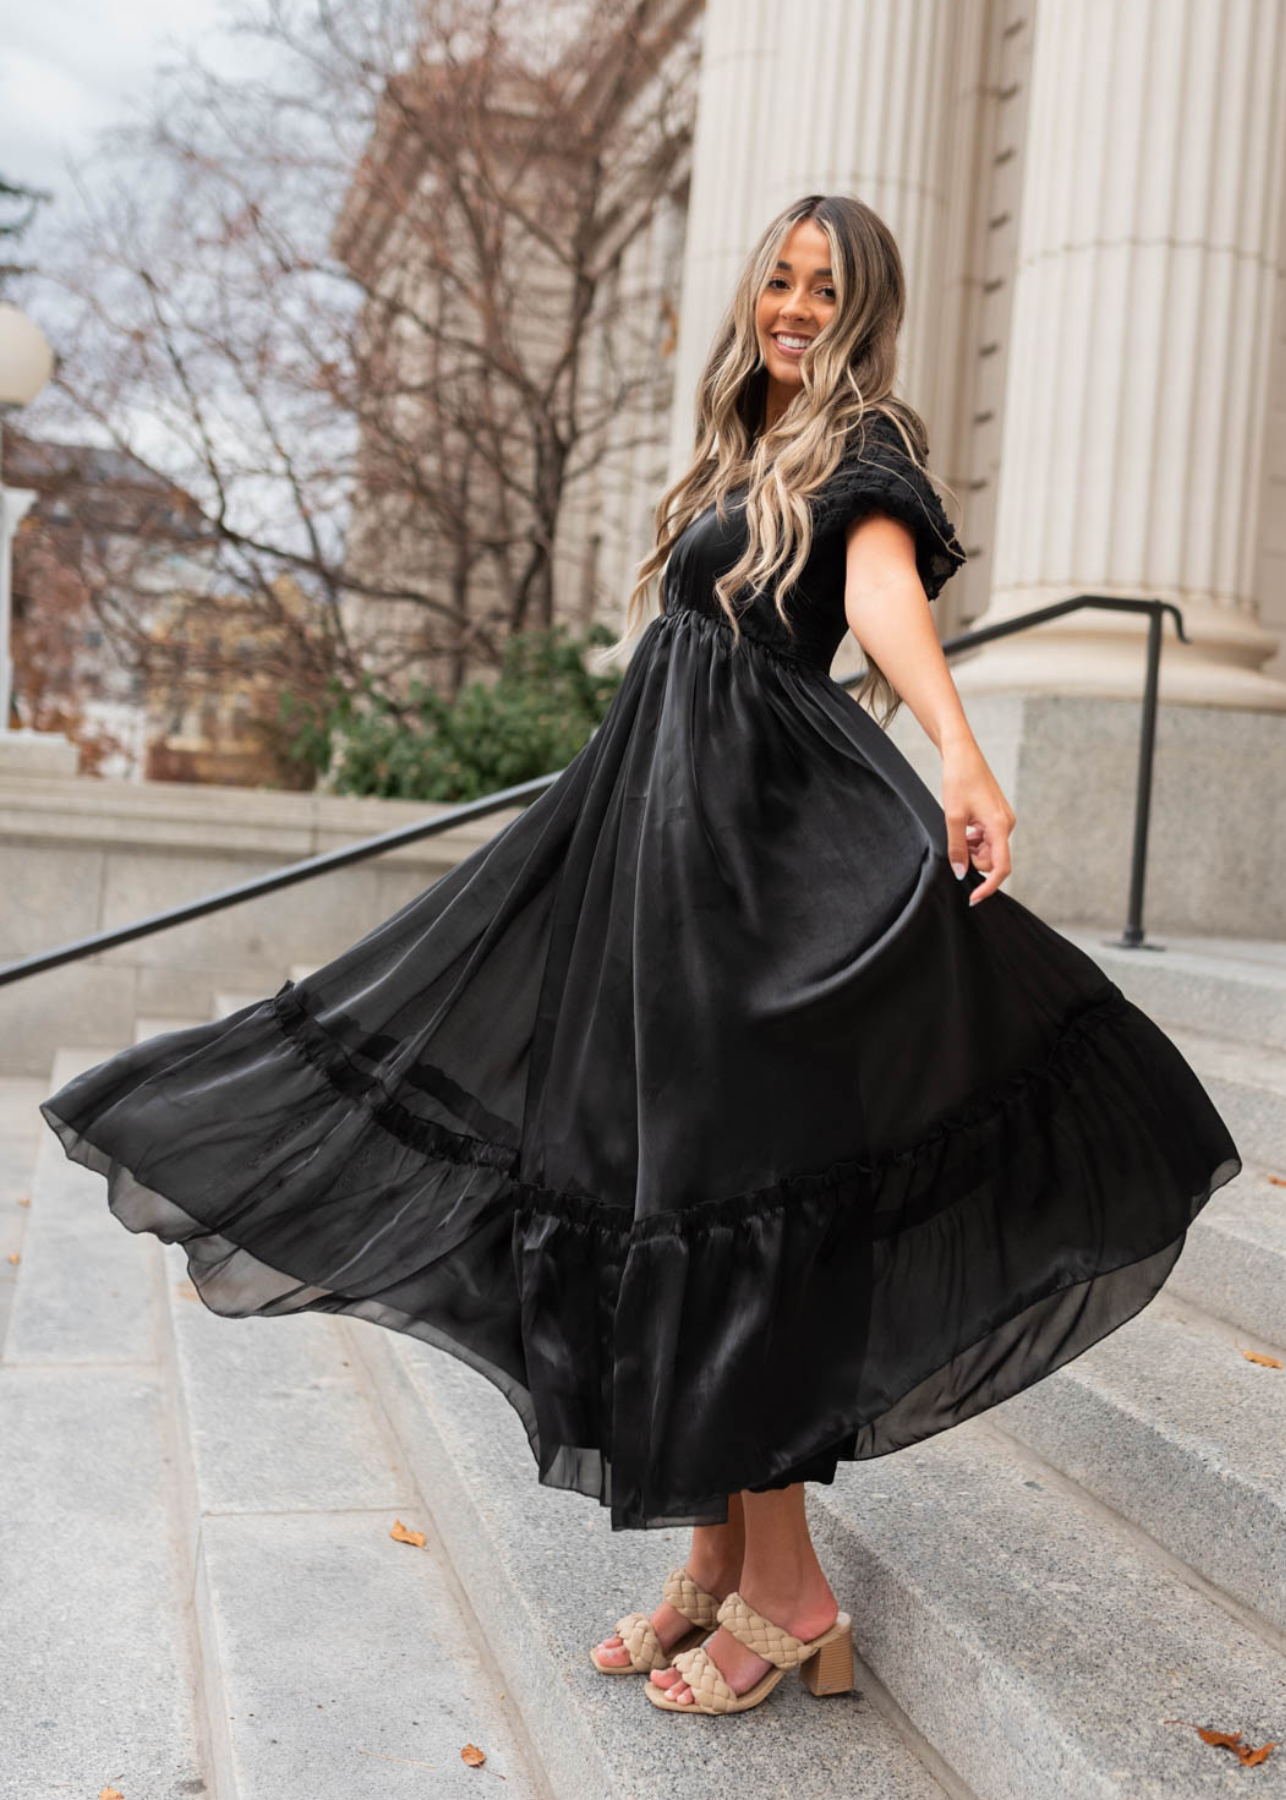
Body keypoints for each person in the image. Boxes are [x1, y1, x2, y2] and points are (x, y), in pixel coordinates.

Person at [39, 193, 1241, 1720]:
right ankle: (711, 1562)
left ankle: (792, 1593)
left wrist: (958, 753)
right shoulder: (737, 455)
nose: (793, 307)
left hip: (762, 880)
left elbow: (879, 598)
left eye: (824, 289)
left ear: (863, 311)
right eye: (779, 281)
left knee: (733, 1210)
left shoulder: (860, 454)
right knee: (649, 1187)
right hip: (656, 877)